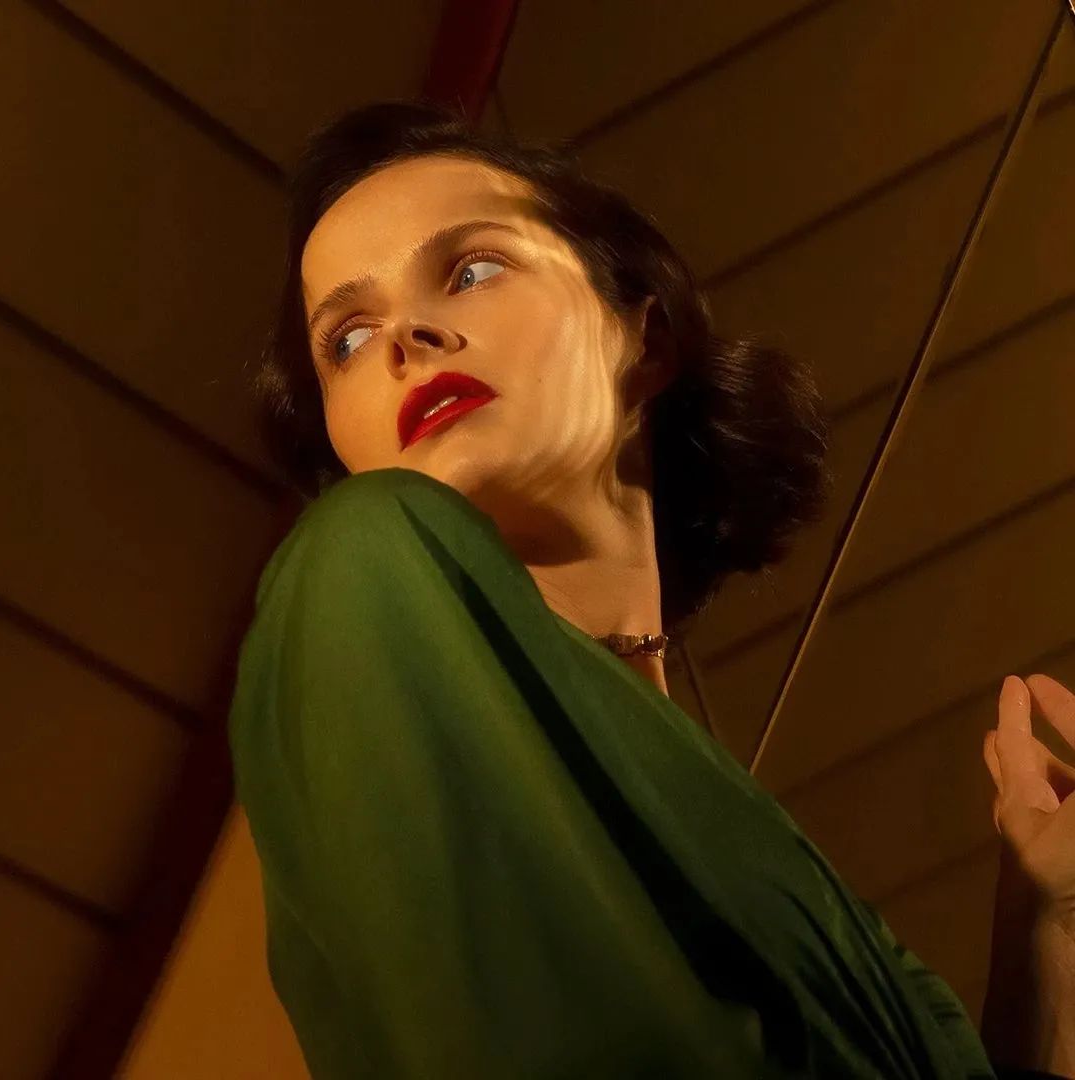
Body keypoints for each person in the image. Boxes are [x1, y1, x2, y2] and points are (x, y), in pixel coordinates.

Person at [227, 100, 1058, 1078]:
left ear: (644, 334)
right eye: (347, 339)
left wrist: (1045, 937)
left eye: (471, 270)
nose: (403, 336)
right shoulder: (357, 561)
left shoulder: (807, 895)